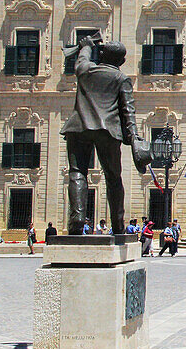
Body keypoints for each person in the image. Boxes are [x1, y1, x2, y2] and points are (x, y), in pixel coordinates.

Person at [61, 35, 153, 235]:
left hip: (79, 128)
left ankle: (77, 219)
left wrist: (86, 46)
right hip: (108, 132)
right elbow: (128, 111)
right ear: (122, 61)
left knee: (77, 173)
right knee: (113, 178)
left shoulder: (87, 70)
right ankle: (118, 224)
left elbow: (81, 61)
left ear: (101, 54)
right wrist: (134, 137)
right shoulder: (121, 79)